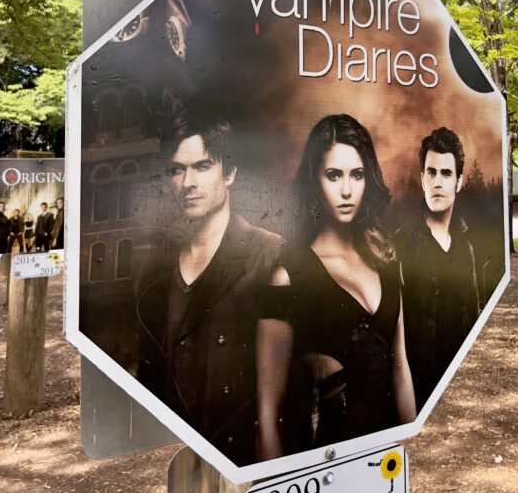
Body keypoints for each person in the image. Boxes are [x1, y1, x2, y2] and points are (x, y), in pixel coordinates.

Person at [256, 114, 416, 460]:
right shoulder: (288, 277)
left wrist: (411, 454)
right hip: (326, 467)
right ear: (314, 180)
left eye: (357, 175)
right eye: (333, 175)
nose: (346, 190)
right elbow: (268, 415)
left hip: (386, 459)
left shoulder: (385, 263)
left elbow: (401, 371)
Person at [136, 103, 283, 466]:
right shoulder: (154, 268)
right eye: (176, 170)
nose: (188, 183)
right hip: (178, 462)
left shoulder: (268, 255)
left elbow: (279, 405)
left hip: (243, 464)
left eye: (202, 166)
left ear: (229, 171)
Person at [395, 127, 480, 410]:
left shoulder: (468, 250)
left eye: (446, 174)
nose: (438, 182)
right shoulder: (398, 246)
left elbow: (472, 324)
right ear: (422, 179)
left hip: (457, 396)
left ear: (459, 182)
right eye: (431, 172)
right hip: (412, 396)